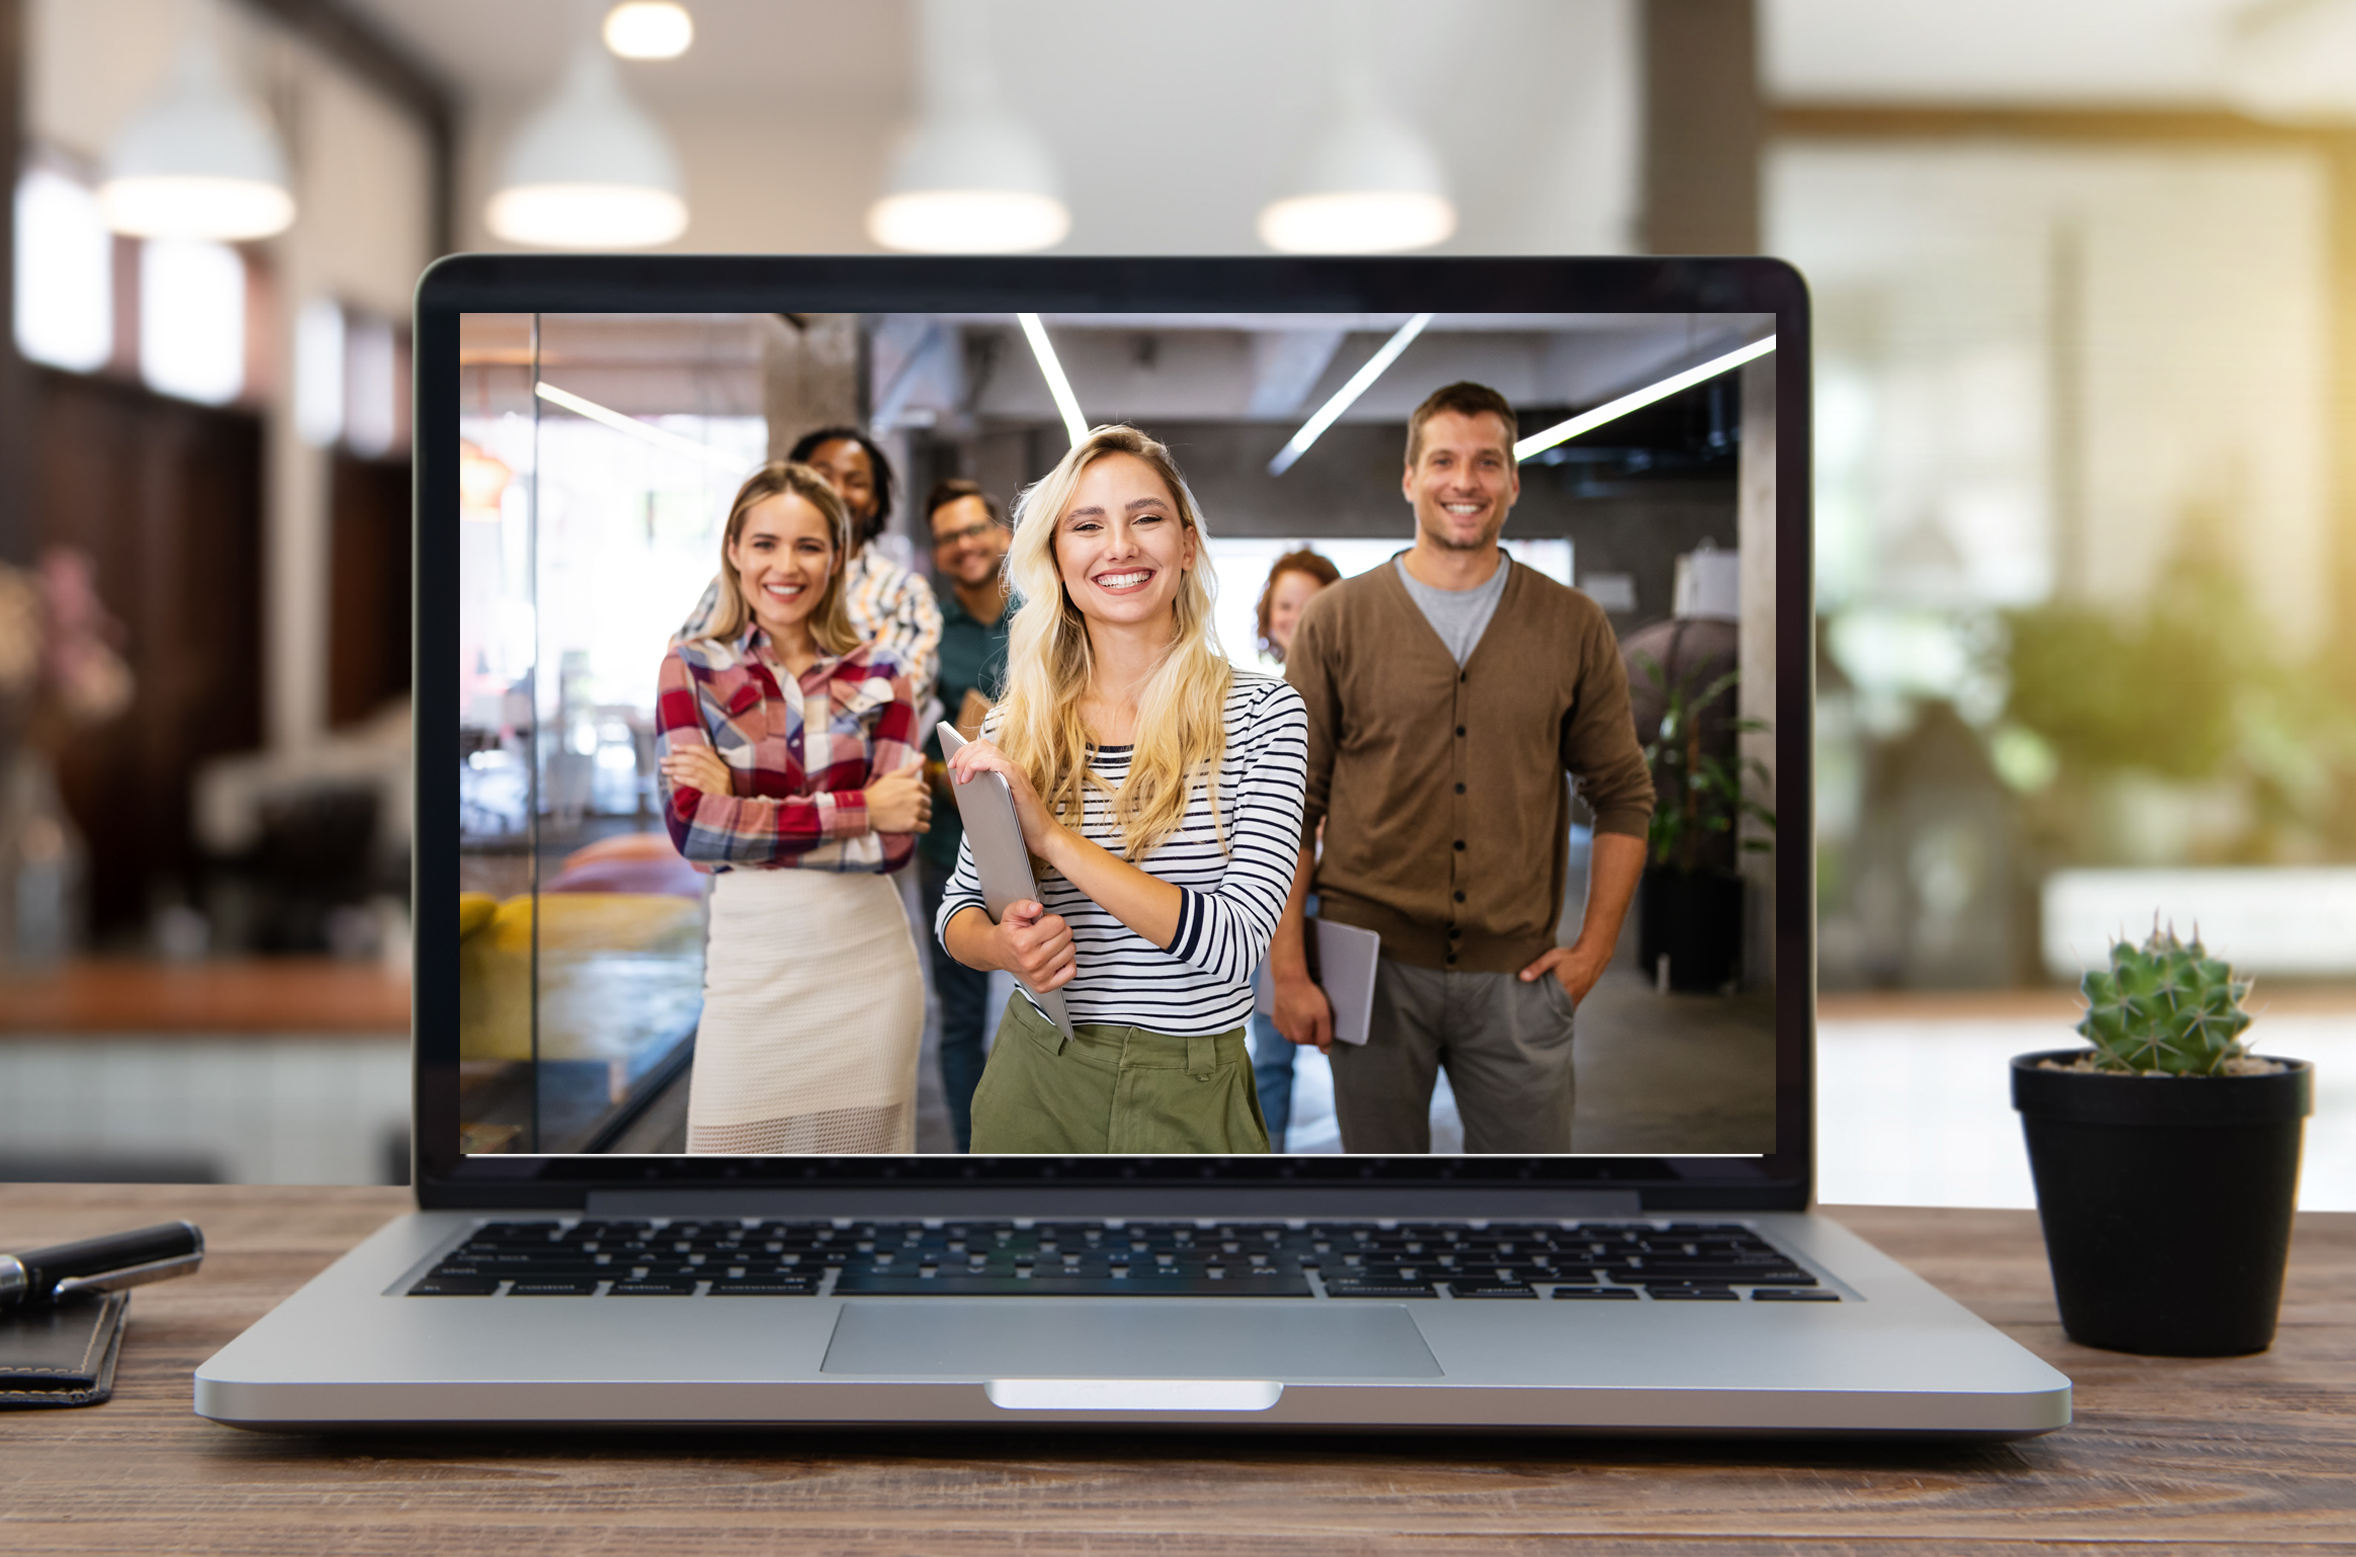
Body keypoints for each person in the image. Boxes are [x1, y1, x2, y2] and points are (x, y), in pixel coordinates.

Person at [1272, 382, 1656, 1154]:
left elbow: (1623, 796)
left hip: (1519, 975)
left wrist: (1592, 952)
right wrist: (1289, 969)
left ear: (1513, 482)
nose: (1465, 481)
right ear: (1410, 478)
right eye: (1443, 459)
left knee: (1525, 1217)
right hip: (1366, 964)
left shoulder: (1572, 624)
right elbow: (1289, 806)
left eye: (1488, 462)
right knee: (1384, 1218)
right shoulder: (1337, 620)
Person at [935, 426, 1307, 1154]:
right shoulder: (1020, 724)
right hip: (1036, 1077)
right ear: (1057, 559)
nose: (1120, 545)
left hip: (1194, 1090)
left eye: (1146, 517)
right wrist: (1005, 950)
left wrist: (1050, 840)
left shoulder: (1265, 715)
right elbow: (958, 911)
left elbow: (1233, 946)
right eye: (1087, 524)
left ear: (1188, 545)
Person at [654, 461, 933, 1154]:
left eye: (809, 546)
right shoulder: (691, 666)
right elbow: (694, 831)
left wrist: (743, 806)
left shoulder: (883, 673)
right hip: (749, 978)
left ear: (836, 558)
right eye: (766, 543)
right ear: (734, 551)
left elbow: (895, 844)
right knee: (728, 1214)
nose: (787, 565)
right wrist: (862, 805)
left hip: (868, 973)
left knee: (860, 1213)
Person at [676, 427, 944, 710]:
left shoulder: (903, 592)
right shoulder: (744, 578)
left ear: (875, 501)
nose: (836, 491)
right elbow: (685, 679)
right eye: (823, 476)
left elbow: (891, 707)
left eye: (856, 482)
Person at [917, 478, 1014, 1152]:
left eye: (974, 529)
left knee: (1068, 1000)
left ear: (1003, 534)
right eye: (948, 537)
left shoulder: (1051, 619)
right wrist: (948, 769)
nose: (964, 545)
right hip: (952, 848)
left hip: (1055, 843)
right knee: (960, 1020)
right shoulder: (928, 640)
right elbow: (904, 755)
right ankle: (970, 1161)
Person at [1246, 548, 1341, 1151]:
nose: (1297, 617)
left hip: (1340, 898)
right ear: (1267, 616)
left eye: (1312, 605)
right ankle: (1264, 1181)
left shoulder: (1355, 697)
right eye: (1286, 605)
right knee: (1270, 1053)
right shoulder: (1252, 699)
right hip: (1270, 902)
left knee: (1354, 1052)